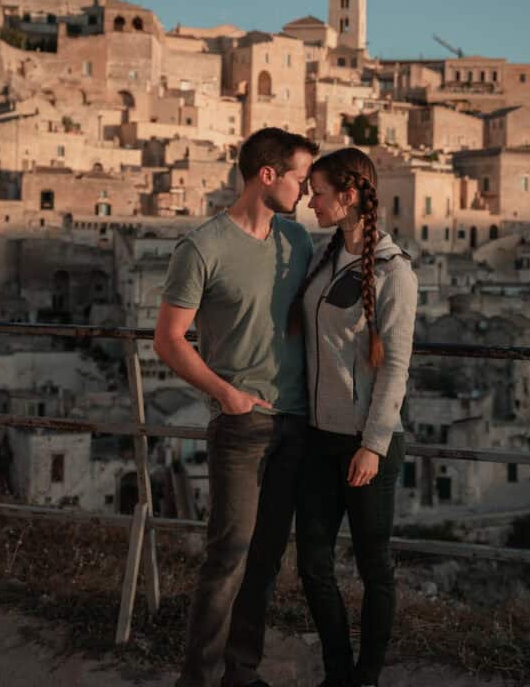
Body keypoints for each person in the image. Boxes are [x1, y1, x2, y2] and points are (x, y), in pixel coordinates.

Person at [153, 127, 319, 687]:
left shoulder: (297, 242)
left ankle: (240, 674)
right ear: (267, 176)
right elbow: (169, 339)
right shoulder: (202, 247)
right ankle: (196, 679)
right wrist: (226, 394)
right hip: (242, 423)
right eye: (299, 177)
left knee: (266, 562)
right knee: (227, 559)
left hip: (297, 423)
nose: (305, 189)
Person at [293, 147, 418, 687]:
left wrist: (373, 445)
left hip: (368, 445)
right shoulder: (325, 259)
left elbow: (395, 368)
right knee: (312, 564)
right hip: (319, 437)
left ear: (346, 196)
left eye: (318, 192)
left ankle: (365, 678)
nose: (309, 200)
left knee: (374, 568)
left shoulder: (395, 272)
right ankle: (339, 673)